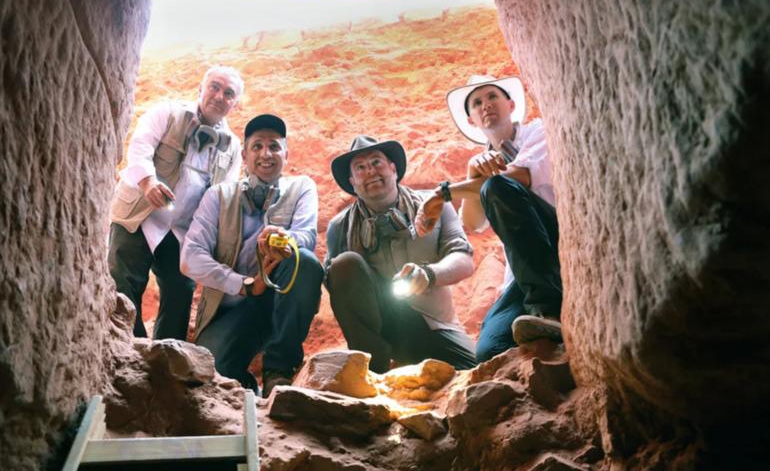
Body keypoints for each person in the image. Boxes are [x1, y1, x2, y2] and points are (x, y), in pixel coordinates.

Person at [415, 75, 562, 362]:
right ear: (471, 120)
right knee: (489, 351)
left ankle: (549, 310)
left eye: (492, 97)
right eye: (477, 103)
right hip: (526, 272)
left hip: (558, 242)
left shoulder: (539, 132)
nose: (486, 106)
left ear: (510, 104)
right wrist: (473, 174)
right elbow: (473, 223)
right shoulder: (482, 161)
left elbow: (521, 177)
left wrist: (443, 193)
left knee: (497, 186)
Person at [180, 114, 323, 397]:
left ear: (286, 153)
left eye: (274, 146)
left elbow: (306, 235)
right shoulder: (217, 196)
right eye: (257, 146)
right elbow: (190, 256)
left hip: (282, 301)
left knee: (305, 260)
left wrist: (283, 238)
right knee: (212, 371)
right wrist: (246, 284)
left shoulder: (302, 187)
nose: (266, 154)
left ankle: (278, 372)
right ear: (244, 155)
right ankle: (250, 393)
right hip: (233, 307)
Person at [108, 65, 243, 339]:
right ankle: (129, 349)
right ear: (200, 89)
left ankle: (164, 362)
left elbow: (224, 197)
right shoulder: (166, 113)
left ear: (234, 104)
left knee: (181, 293)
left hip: (181, 232)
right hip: (139, 216)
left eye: (228, 93)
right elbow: (140, 147)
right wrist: (148, 182)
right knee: (123, 283)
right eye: (215, 87)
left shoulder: (233, 147)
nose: (219, 96)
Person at [325, 135, 477, 373]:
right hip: (384, 326)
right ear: (352, 182)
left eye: (376, 162)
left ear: (393, 169)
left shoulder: (434, 205)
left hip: (435, 324)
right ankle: (374, 369)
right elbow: (338, 290)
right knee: (344, 264)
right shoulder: (339, 227)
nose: (370, 172)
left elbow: (464, 260)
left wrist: (428, 274)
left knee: (476, 372)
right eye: (360, 168)